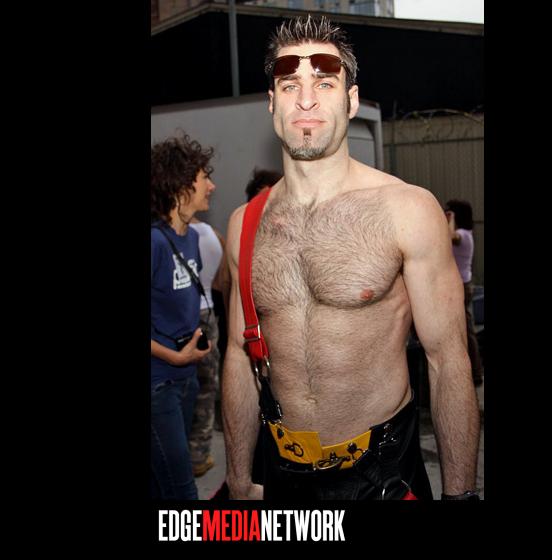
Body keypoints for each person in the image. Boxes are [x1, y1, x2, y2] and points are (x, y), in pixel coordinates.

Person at [222, 14, 480, 501]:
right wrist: (238, 480)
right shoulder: (245, 224)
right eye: (290, 84)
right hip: (282, 474)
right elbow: (239, 356)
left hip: (384, 473)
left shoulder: (406, 210)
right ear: (272, 102)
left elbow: (448, 361)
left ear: (351, 100)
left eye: (324, 82)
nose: (306, 99)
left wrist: (460, 495)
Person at [150, 134, 215, 499]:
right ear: (181, 184)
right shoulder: (155, 241)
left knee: (161, 483)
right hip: (159, 383)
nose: (212, 186)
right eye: (205, 177)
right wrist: (173, 356)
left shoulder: (191, 237)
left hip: (186, 378)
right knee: (182, 491)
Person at [187, 216, 228, 477]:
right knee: (205, 386)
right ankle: (198, 455)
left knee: (192, 387)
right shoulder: (212, 233)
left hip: (190, 314)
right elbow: (222, 281)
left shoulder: (177, 234)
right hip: (206, 313)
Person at [445, 199, 484, 387]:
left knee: (468, 332)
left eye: (450, 212)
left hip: (461, 286)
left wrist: (450, 219)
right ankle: (473, 371)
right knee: (465, 330)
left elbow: (450, 235)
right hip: (462, 285)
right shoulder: (467, 234)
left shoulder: (462, 235)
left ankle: (476, 373)